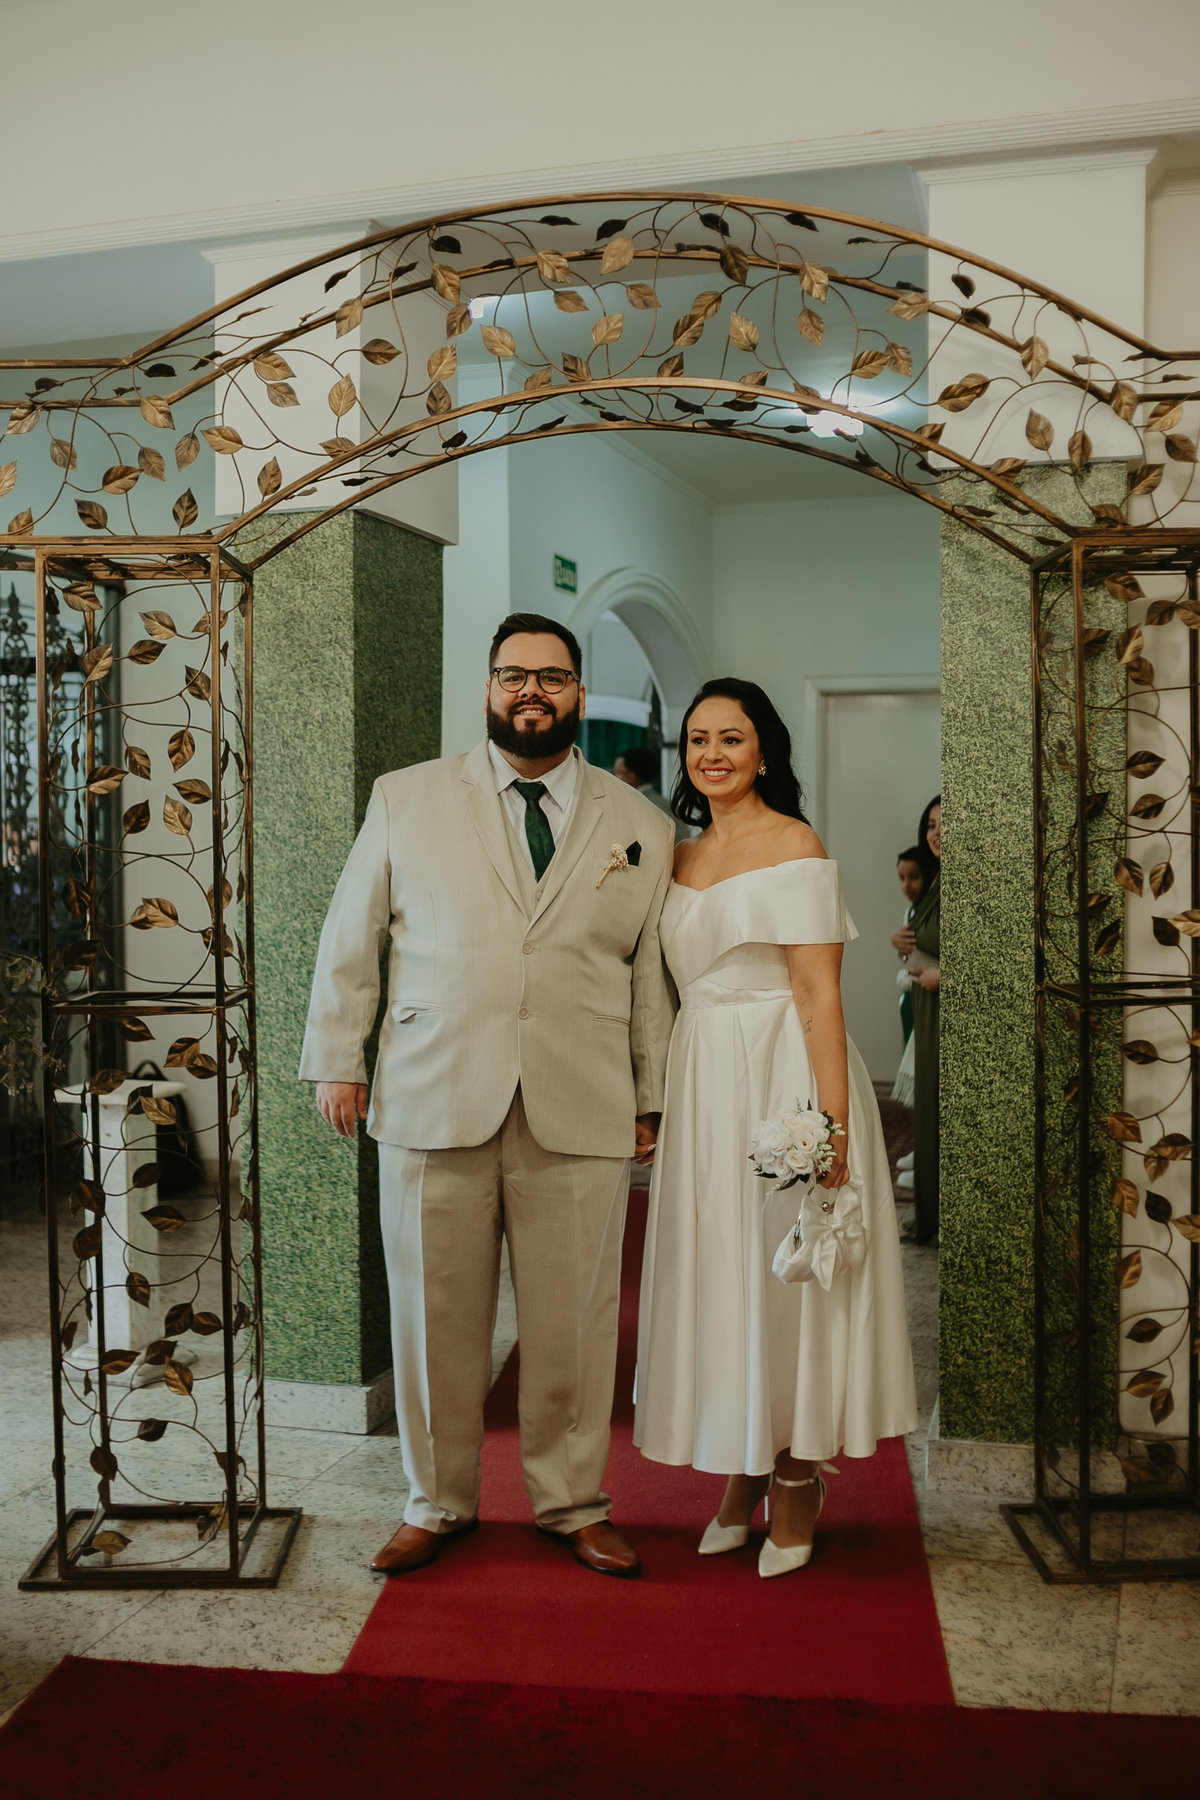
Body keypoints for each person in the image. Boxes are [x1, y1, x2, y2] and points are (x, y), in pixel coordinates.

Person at [301, 612, 676, 1579]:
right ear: (488, 689)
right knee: (434, 1320)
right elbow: (351, 937)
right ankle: (436, 1501)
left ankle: (573, 1503)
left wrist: (651, 1093)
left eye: (551, 677)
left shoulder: (642, 825)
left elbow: (647, 974)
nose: (531, 693)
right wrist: (339, 1058)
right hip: (434, 1092)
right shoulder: (407, 797)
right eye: (514, 675)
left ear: (578, 693)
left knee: (576, 1326)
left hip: (583, 1100)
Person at [633, 678, 917, 1578]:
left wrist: (831, 1128)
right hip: (703, 1078)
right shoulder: (676, 855)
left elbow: (816, 991)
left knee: (789, 1276)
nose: (711, 753)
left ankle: (797, 1472)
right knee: (722, 1269)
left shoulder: (797, 844)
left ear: (764, 752)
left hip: (782, 1073)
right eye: (698, 738)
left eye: (732, 737)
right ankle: (745, 1462)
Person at [891, 798, 940, 1243]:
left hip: (944, 1012)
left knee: (937, 1113)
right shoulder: (937, 881)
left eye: (945, 824)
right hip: (926, 1007)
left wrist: (944, 975)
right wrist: (902, 944)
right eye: (930, 825)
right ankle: (928, 1216)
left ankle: (940, 1219)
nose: (936, 833)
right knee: (925, 1112)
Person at [890, 847, 926, 1123]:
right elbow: (908, 957)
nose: (906, 885)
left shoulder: (929, 910)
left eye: (914, 877)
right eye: (902, 878)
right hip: (911, 997)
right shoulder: (910, 911)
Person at [614, 744, 691, 844]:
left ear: (631, 776)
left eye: (617, 772)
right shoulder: (671, 806)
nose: (614, 778)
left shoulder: (634, 807)